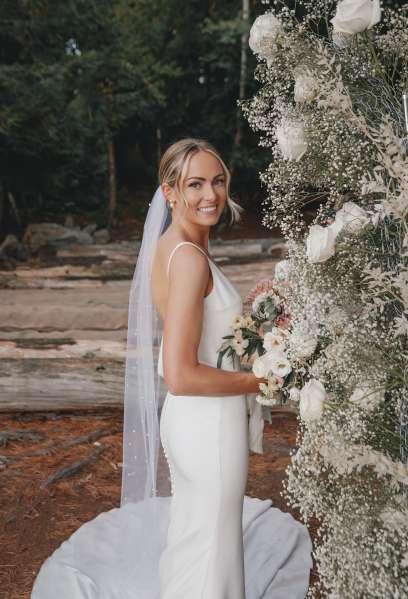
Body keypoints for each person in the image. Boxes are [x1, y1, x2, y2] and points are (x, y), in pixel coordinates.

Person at [31, 139, 313, 599]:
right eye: (195, 184)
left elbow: (202, 344)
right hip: (208, 424)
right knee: (211, 552)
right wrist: (263, 379)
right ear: (170, 191)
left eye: (218, 182)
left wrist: (259, 338)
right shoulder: (187, 260)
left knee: (199, 543)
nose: (211, 195)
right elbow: (181, 373)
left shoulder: (176, 247)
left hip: (196, 420)